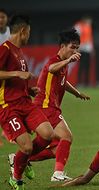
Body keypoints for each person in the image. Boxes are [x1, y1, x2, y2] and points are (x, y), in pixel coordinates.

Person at [0, 15, 54, 190]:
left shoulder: (20, 52)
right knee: (27, 146)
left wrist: (28, 90)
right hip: (8, 106)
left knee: (47, 134)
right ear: (23, 31)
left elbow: (17, 81)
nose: (29, 37)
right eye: (28, 33)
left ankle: (21, 159)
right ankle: (15, 178)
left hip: (25, 102)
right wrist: (17, 74)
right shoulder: (5, 49)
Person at [31, 28, 90, 181]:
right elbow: (51, 69)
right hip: (45, 106)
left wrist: (77, 93)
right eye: (72, 47)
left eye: (77, 47)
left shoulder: (63, 64)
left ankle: (20, 158)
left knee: (57, 149)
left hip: (49, 107)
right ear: (62, 46)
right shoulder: (55, 61)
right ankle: (57, 174)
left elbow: (63, 82)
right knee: (67, 137)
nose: (75, 50)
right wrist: (68, 60)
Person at [0, 9, 10, 146]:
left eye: (2, 17)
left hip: (8, 73)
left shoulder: (10, 32)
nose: (0, 20)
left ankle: (6, 131)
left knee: (7, 103)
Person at [74, 16, 94, 86]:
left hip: (88, 48)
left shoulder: (88, 26)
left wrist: (92, 49)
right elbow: (76, 36)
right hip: (81, 48)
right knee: (81, 65)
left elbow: (90, 38)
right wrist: (77, 47)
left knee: (87, 66)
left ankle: (86, 83)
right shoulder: (78, 25)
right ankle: (79, 82)